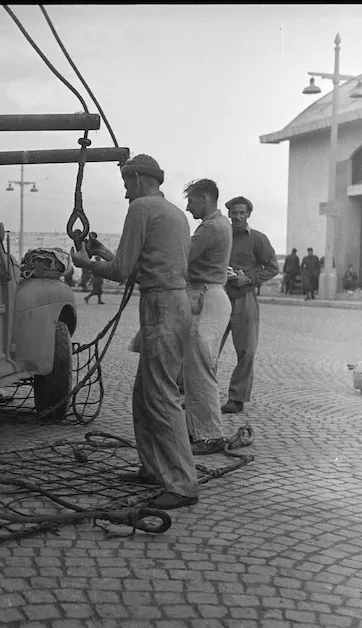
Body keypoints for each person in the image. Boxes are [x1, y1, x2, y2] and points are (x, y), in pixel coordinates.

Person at [71, 154, 198, 510]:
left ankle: (182, 484)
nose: (126, 192)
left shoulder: (141, 208)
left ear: (140, 179)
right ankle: (154, 469)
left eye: (127, 183)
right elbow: (142, 262)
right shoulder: (174, 213)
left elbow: (123, 270)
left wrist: (86, 263)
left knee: (160, 396)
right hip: (174, 303)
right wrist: (102, 253)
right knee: (145, 394)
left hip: (160, 306)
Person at [183, 179, 232, 454]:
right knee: (195, 369)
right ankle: (198, 432)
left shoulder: (210, 227)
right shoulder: (219, 224)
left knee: (200, 370)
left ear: (205, 198)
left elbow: (179, 255)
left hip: (206, 299)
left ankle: (210, 436)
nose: (188, 207)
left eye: (191, 201)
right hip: (209, 297)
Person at [219, 196, 279, 413]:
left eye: (241, 213)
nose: (237, 217)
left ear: (248, 215)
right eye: (233, 212)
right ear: (228, 214)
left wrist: (250, 278)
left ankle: (237, 398)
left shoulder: (258, 239)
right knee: (206, 347)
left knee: (246, 352)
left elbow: (272, 268)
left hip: (244, 299)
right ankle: (198, 395)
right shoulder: (221, 235)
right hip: (217, 296)